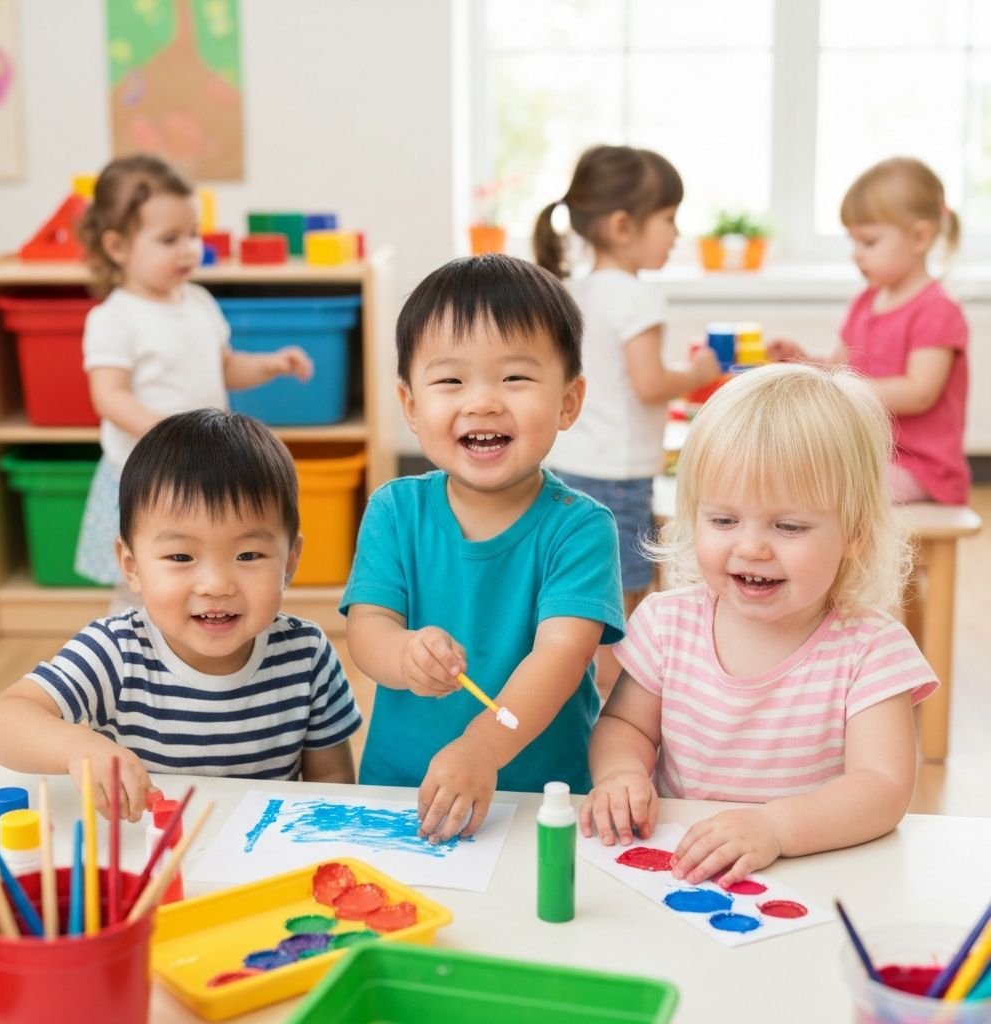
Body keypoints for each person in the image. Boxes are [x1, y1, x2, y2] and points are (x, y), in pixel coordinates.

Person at [580, 363, 937, 886]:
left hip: (816, 873)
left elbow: (881, 788)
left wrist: (776, 826)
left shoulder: (871, 650)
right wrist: (621, 774)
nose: (751, 547)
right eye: (723, 521)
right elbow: (625, 725)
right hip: (685, 871)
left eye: (788, 526)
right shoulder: (666, 623)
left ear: (855, 533)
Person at [341, 254, 625, 843]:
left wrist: (482, 748)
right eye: (451, 380)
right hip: (405, 793)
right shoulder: (394, 511)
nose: (483, 402)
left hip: (542, 801)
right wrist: (404, 655)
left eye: (515, 378)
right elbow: (367, 631)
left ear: (569, 402)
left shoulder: (581, 529)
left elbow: (560, 661)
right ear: (412, 406)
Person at [0, 409, 361, 820]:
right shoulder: (117, 651)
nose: (216, 584)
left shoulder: (306, 655)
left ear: (289, 561)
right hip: (146, 862)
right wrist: (78, 748)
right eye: (181, 556)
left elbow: (333, 781)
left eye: (248, 555)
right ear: (131, 566)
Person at [74, 154, 313, 609]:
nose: (188, 249)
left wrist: (269, 364)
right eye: (169, 239)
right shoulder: (114, 318)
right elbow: (108, 396)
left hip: (202, 471)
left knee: (201, 567)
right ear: (117, 247)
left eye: (192, 235)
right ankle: (131, 657)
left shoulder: (199, 302)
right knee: (142, 583)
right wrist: (166, 435)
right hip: (143, 476)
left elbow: (222, 366)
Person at [533, 145, 721, 693]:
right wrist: (698, 370)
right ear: (621, 226)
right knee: (623, 609)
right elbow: (648, 383)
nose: (676, 234)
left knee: (570, 598)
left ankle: (563, 697)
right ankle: (612, 715)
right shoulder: (638, 297)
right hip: (617, 479)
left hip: (565, 466)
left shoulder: (575, 290)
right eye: (668, 219)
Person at [768, 156, 968, 505]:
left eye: (869, 242)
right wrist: (802, 360)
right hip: (868, 453)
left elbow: (920, 392)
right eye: (853, 242)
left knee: (828, 491)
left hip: (922, 468)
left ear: (920, 237)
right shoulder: (865, 303)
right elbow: (841, 370)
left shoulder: (937, 309)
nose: (856, 255)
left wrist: (847, 391)